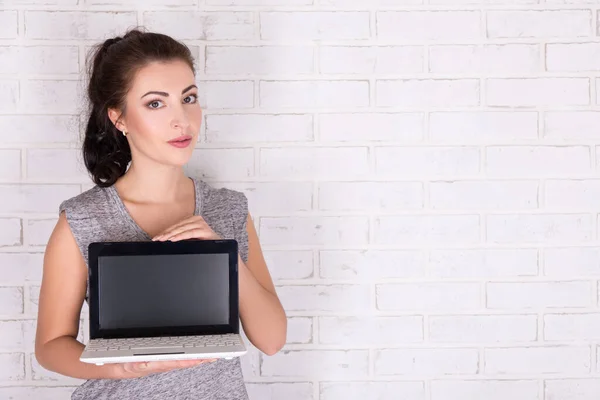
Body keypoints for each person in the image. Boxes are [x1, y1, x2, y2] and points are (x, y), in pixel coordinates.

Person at [34, 28, 287, 400]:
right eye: (156, 103)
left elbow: (272, 340)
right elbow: (51, 345)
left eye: (189, 98)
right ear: (119, 118)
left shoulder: (229, 209)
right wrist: (125, 367)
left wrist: (221, 251)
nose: (181, 119)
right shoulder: (83, 219)